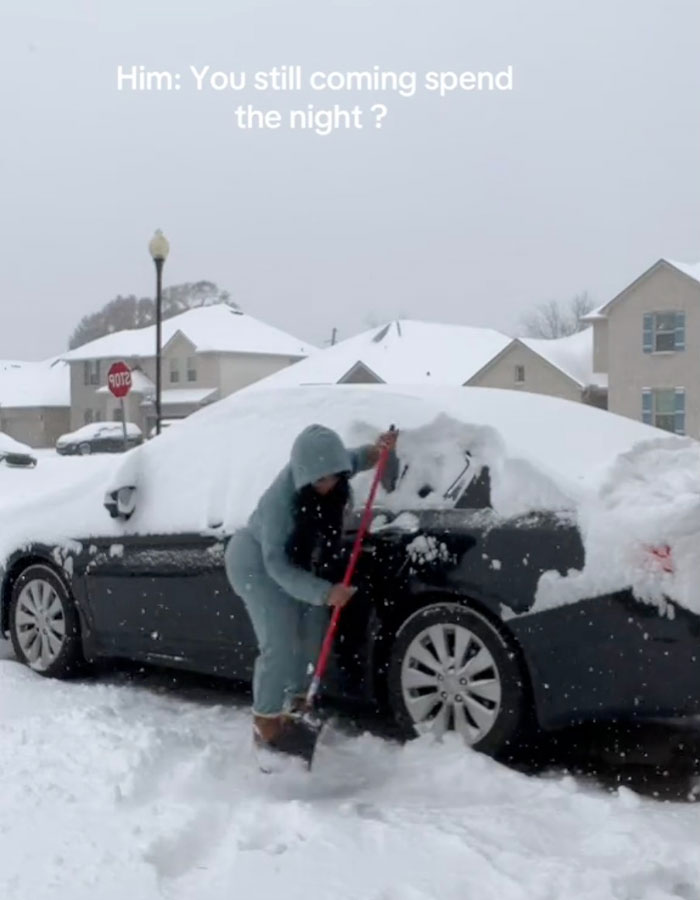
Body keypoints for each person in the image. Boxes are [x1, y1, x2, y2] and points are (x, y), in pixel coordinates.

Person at [225, 423, 398, 756]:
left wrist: (379, 450)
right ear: (304, 475)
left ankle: (298, 706)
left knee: (314, 631)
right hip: (256, 565)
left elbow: (357, 458)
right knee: (280, 640)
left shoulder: (332, 465)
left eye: (333, 477)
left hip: (299, 564)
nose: (327, 484)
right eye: (319, 481)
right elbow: (276, 566)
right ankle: (266, 724)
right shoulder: (279, 505)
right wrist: (324, 592)